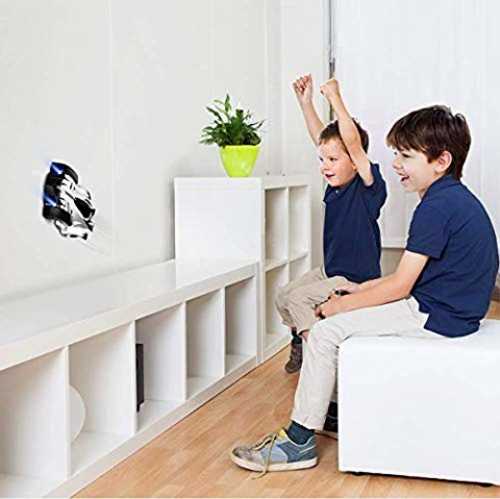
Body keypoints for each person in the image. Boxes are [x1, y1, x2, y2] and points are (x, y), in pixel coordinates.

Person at [230, 97, 499, 475]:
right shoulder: (451, 198)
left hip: (437, 316)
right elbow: (410, 276)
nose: (396, 164)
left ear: (441, 161)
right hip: (448, 308)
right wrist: (363, 290)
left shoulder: (436, 208)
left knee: (325, 332)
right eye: (396, 154)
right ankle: (330, 411)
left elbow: (402, 287)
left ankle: (299, 440)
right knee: (340, 310)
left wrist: (339, 306)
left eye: (406, 156)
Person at [278, 75, 387, 374]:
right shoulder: (335, 185)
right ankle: (300, 343)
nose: (325, 165)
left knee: (298, 300)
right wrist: (306, 104)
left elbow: (351, 144)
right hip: (330, 271)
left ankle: (322, 358)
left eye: (332, 160)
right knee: (283, 297)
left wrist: (335, 100)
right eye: (322, 159)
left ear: (355, 160)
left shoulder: (368, 188)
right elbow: (322, 139)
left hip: (354, 279)